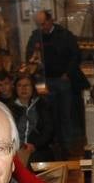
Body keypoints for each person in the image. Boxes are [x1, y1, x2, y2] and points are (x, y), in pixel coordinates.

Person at [25, 10, 84, 146]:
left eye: (44, 24)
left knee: (66, 113)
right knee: (46, 113)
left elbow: (75, 55)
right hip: (43, 80)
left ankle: (67, 143)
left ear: (51, 21)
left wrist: (67, 73)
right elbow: (29, 56)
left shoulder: (64, 35)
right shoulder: (35, 36)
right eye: (39, 25)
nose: (42, 27)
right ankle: (50, 142)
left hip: (62, 79)